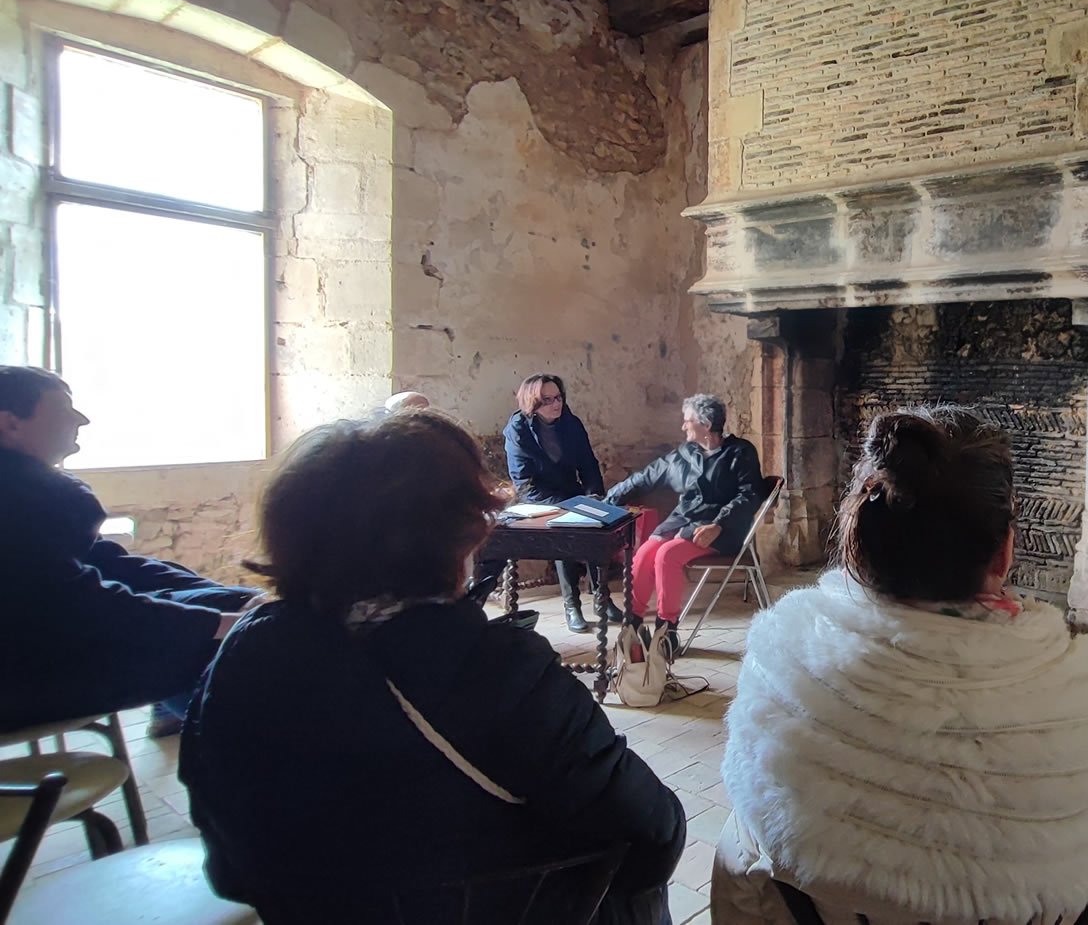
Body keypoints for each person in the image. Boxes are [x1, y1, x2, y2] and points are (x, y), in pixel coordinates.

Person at [179, 410, 684, 924]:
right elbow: (653, 834)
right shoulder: (496, 673)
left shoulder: (243, 654)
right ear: (453, 538)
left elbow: (228, 867)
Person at [712, 407, 1088, 925]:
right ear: (1004, 552)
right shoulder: (1083, 712)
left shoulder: (784, 685)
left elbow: (743, 887)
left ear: (862, 542)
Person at [0, 366, 254, 737]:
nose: (81, 420)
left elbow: (105, 561)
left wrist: (231, 599)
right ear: (10, 424)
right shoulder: (26, 499)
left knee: (248, 608)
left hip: (40, 646)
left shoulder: (30, 491)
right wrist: (218, 622)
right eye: (63, 410)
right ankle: (237, 761)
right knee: (236, 644)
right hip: (22, 677)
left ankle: (185, 717)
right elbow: (82, 607)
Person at [604, 394, 763, 656]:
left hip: (720, 529)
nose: (683, 426)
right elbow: (646, 477)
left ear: (706, 424)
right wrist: (607, 500)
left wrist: (719, 524)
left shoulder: (740, 452)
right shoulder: (685, 454)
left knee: (667, 555)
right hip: (682, 522)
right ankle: (631, 627)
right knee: (644, 554)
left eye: (688, 421)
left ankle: (666, 632)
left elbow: (749, 495)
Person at [502, 373, 622, 632]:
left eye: (558, 397)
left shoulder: (571, 423)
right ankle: (572, 606)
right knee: (564, 533)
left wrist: (594, 496)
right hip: (537, 499)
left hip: (572, 494)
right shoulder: (518, 430)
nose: (556, 404)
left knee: (597, 523)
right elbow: (524, 483)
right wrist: (567, 504)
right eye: (547, 400)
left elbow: (588, 464)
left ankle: (602, 598)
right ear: (532, 402)